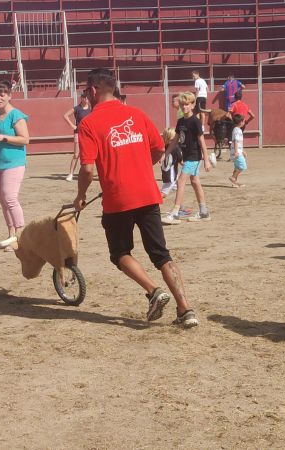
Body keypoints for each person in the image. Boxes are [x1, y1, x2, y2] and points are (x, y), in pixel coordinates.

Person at [73, 68, 198, 328]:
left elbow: (86, 168)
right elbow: (158, 150)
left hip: (118, 198)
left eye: (86, 91)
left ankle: (153, 292)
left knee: (119, 253)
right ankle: (185, 309)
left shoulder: (89, 123)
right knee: (161, 254)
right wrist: (139, 167)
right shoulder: (137, 114)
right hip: (147, 193)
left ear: (94, 90)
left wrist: (80, 196)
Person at [0, 80, 30, 250]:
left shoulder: (16, 115)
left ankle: (20, 235)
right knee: (3, 200)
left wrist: (2, 138)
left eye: (2, 94)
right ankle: (11, 234)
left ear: (9, 95)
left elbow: (25, 139)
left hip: (15, 162)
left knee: (10, 197)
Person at [162, 92, 211, 224]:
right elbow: (175, 140)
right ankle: (204, 212)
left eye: (187, 104)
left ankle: (175, 213)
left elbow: (202, 141)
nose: (184, 107)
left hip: (194, 157)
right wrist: (166, 154)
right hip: (187, 156)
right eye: (182, 104)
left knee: (181, 181)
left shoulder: (195, 121)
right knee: (195, 182)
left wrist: (206, 160)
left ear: (193, 105)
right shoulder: (180, 121)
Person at [63, 92, 91, 182]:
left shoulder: (91, 108)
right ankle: (71, 174)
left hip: (88, 134)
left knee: (87, 155)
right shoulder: (77, 108)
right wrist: (72, 126)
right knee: (76, 154)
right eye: (85, 97)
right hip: (78, 133)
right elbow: (65, 115)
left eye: (87, 97)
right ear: (81, 98)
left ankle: (85, 174)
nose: (86, 99)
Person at [160, 128, 181, 197]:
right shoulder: (175, 147)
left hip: (166, 173)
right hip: (171, 175)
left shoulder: (164, 147)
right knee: (163, 193)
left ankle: (180, 203)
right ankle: (152, 201)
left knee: (179, 185)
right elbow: (181, 161)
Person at [229, 114, 247, 188]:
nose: (244, 122)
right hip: (236, 152)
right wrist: (237, 151)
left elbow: (238, 142)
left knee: (237, 167)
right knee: (242, 166)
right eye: (243, 121)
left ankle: (234, 183)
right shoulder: (237, 130)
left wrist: (242, 151)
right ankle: (233, 177)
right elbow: (236, 141)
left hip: (238, 151)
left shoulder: (236, 129)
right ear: (240, 122)